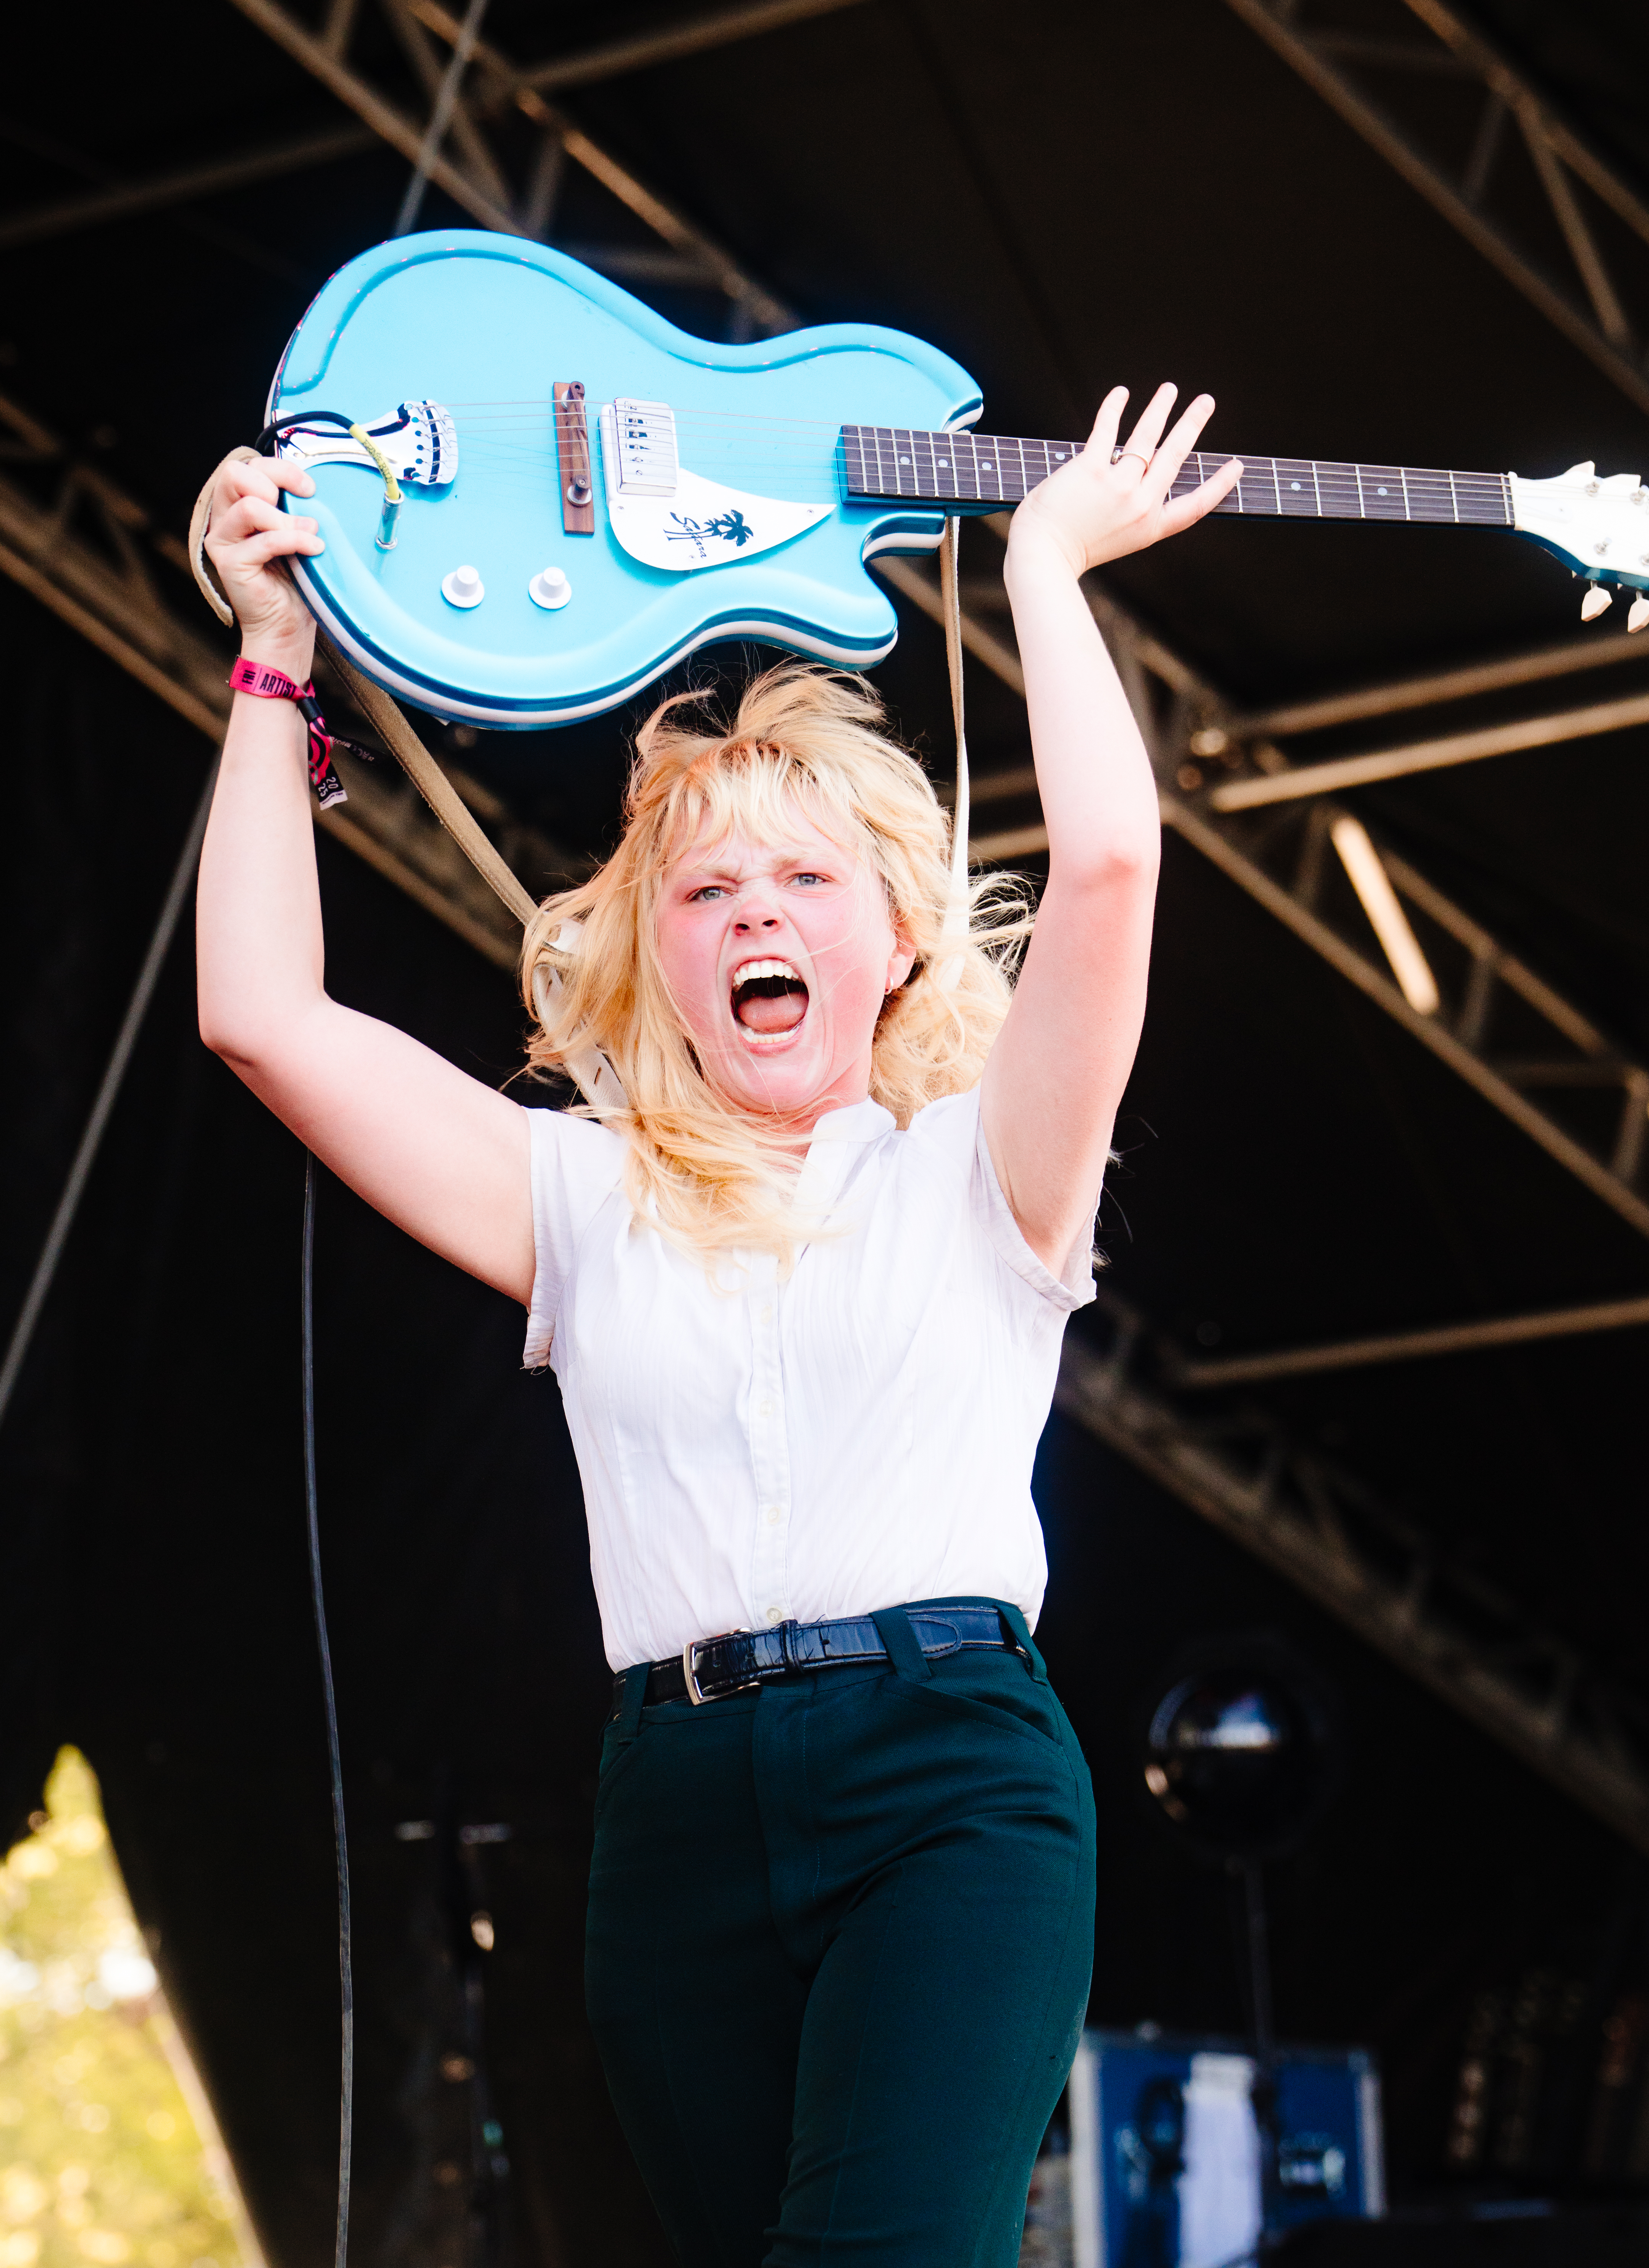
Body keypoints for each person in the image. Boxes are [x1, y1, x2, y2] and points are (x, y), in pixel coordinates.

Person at [195, 380, 1241, 2268]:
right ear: (661, 952)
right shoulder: (583, 1201)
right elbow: (266, 1015)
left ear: (895, 937)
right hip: (673, 1809)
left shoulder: (983, 1171)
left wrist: (1049, 577)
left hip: (949, 1782)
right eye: (710, 888)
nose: (758, 910)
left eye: (808, 880)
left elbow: (1108, 870)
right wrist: (276, 668)